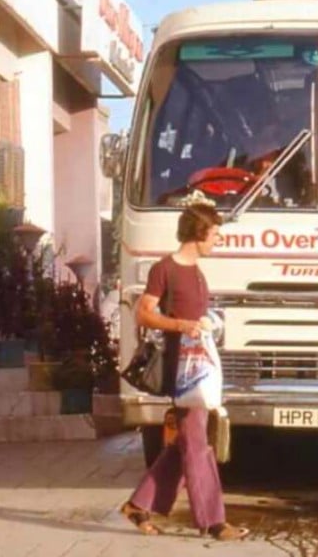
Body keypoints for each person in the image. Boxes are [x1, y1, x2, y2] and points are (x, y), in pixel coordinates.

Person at [119, 204, 248, 541]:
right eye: (215, 233)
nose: (218, 239)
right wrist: (183, 325)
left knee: (187, 444)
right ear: (198, 232)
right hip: (182, 371)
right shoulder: (165, 269)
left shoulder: (198, 273)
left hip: (200, 368)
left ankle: (138, 505)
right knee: (196, 446)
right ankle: (213, 521)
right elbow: (144, 315)